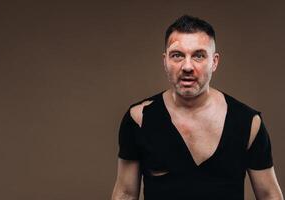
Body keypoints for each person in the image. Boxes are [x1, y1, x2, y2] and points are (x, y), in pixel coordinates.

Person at [111, 15, 283, 200]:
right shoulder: (139, 119)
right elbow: (126, 194)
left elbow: (269, 195)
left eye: (198, 56)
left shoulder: (248, 123)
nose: (187, 66)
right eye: (177, 55)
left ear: (214, 62)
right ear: (165, 61)